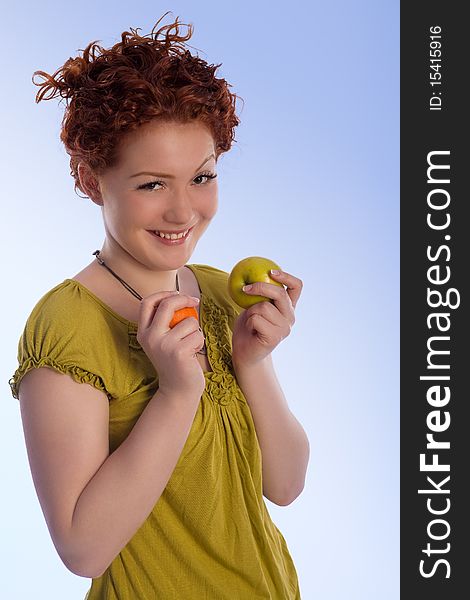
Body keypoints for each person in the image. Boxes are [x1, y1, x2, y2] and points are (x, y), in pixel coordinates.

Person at [9, 12, 309, 600]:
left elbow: (286, 484)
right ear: (92, 179)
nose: (183, 211)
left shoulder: (221, 291)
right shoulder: (66, 325)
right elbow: (82, 548)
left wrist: (253, 360)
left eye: (201, 177)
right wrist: (176, 392)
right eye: (152, 184)